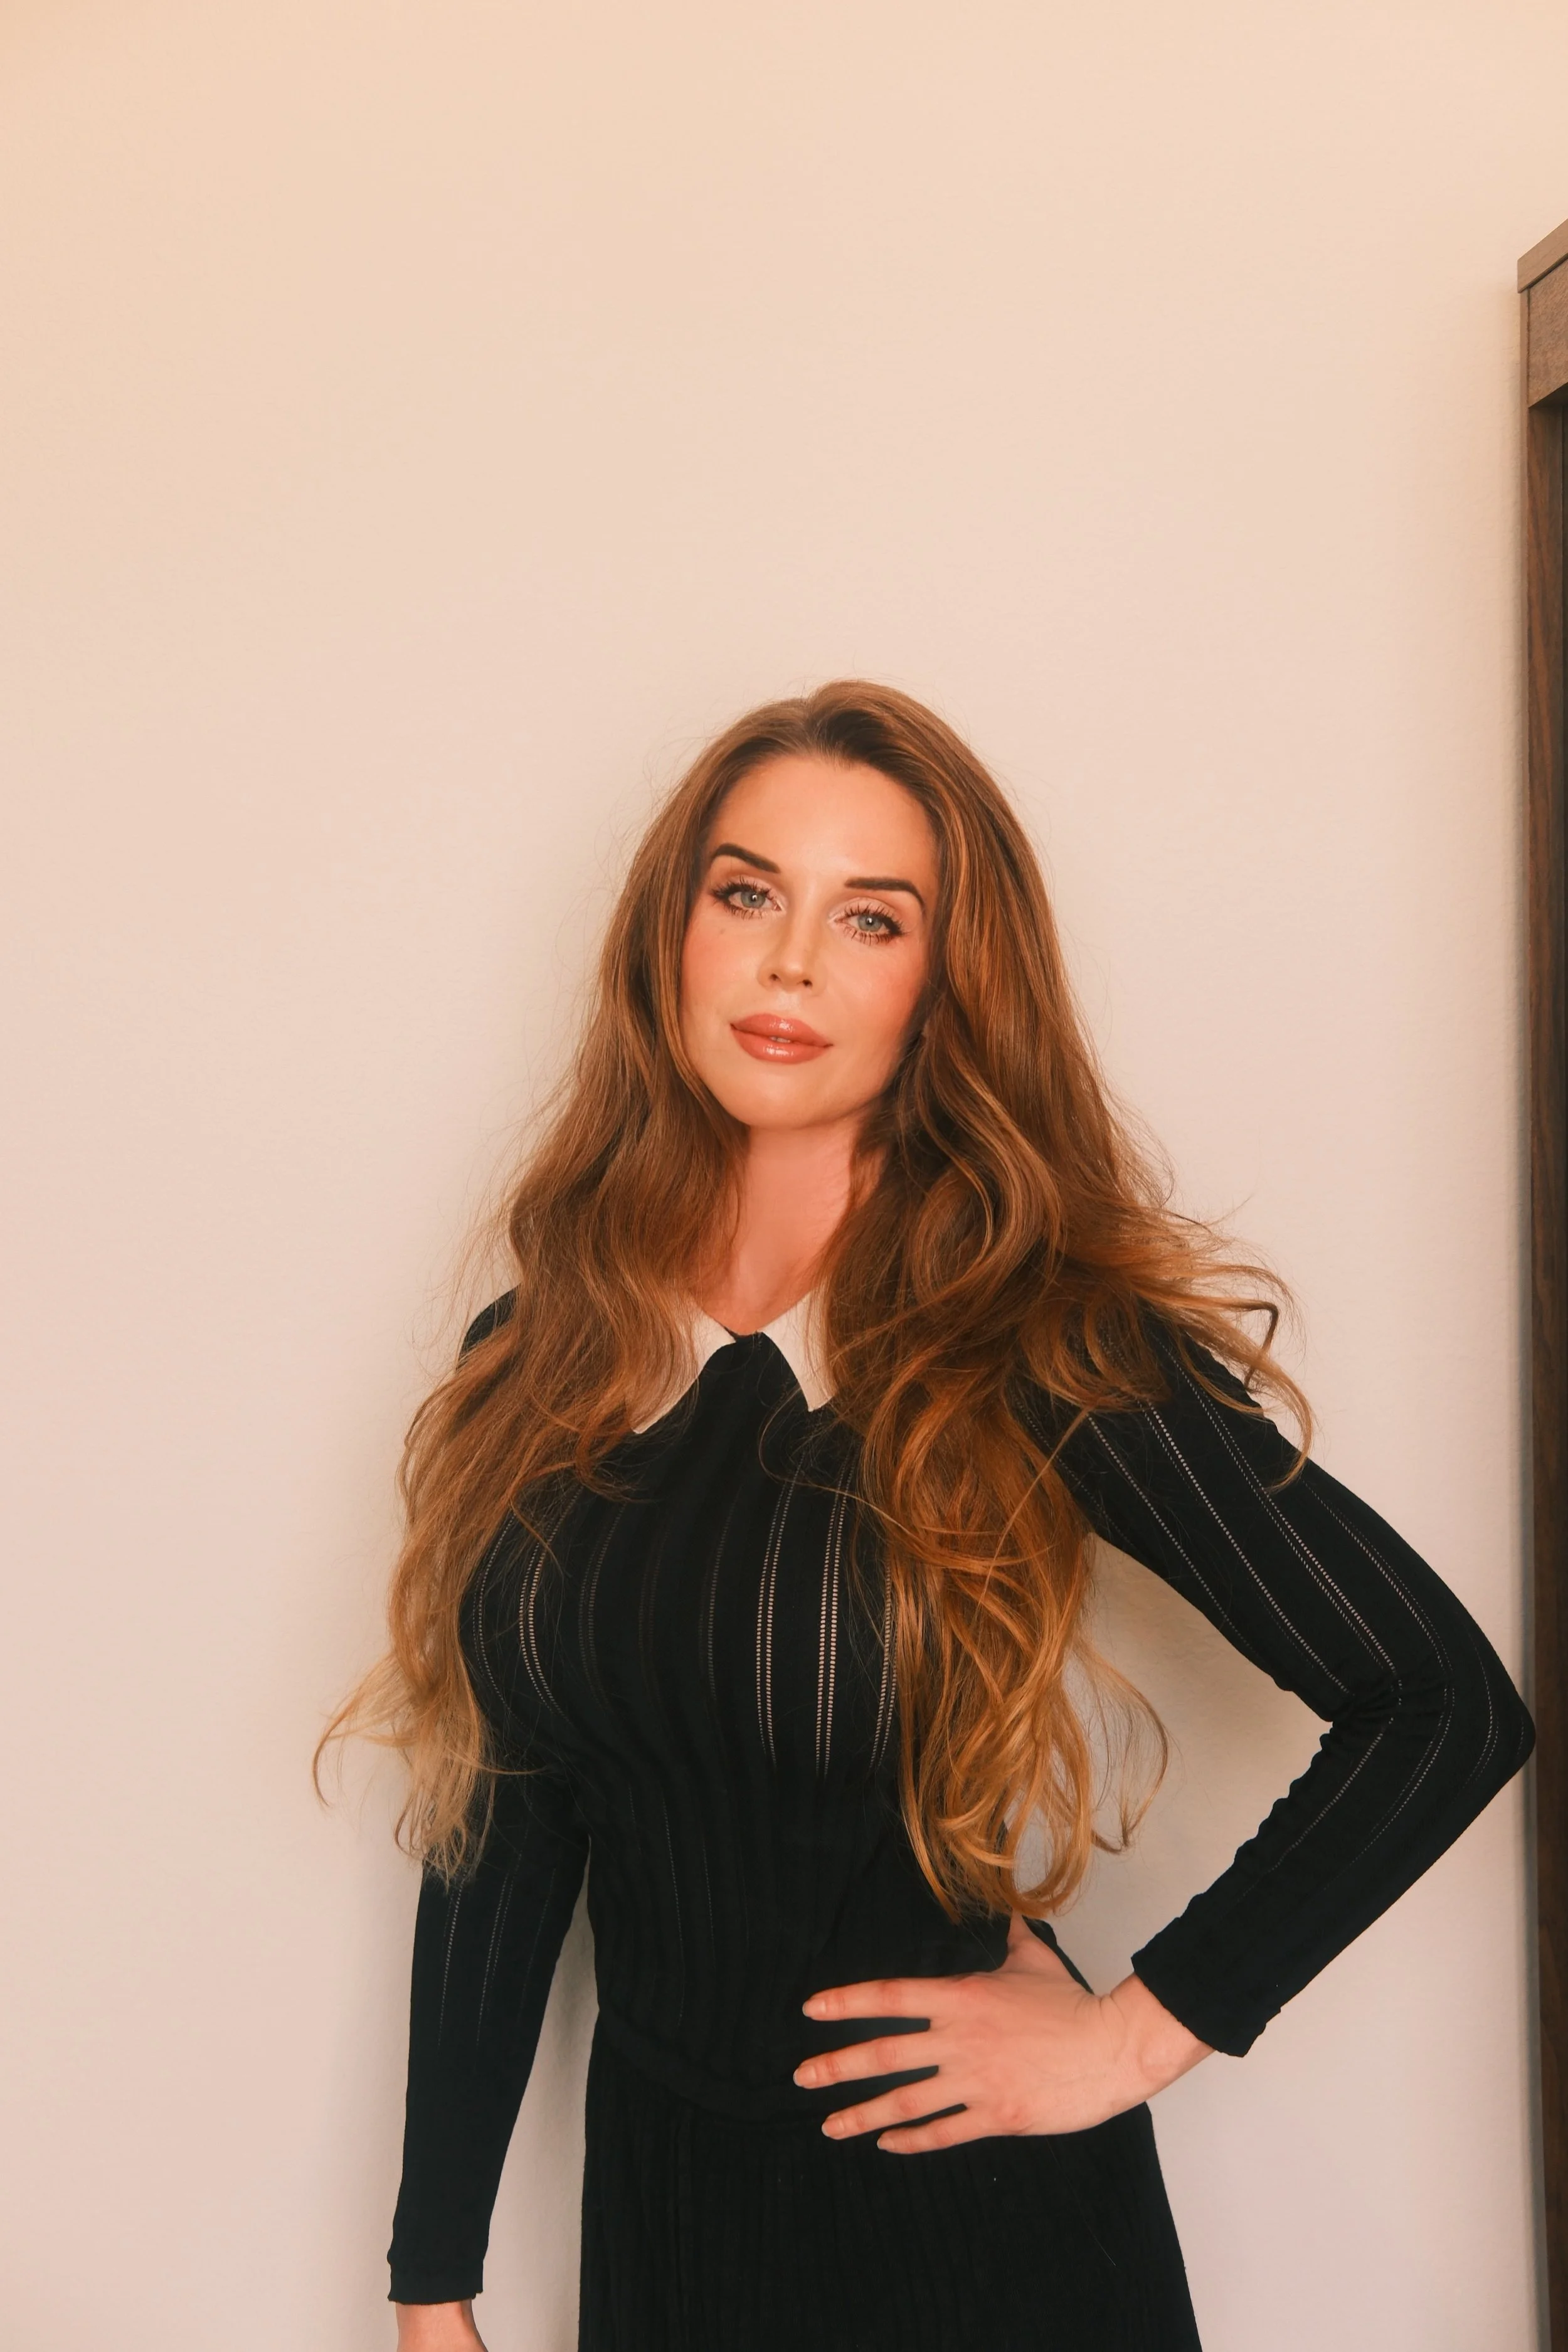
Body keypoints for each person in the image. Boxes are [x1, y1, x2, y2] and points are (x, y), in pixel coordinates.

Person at [324, 681, 1534, 2351]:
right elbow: (507, 1823)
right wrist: (431, 2278)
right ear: (668, 934)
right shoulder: (539, 1355)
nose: (789, 963)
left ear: (946, 984)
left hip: (968, 2237)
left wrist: (1132, 2036)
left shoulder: (1031, 1340)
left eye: (870, 917)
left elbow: (1443, 1701)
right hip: (667, 2218)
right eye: (746, 892)